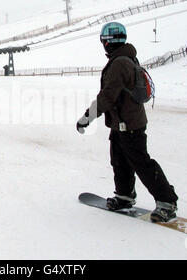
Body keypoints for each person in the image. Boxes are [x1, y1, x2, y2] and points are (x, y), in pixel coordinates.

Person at [76, 22, 179, 223]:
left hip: (130, 124)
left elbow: (107, 96)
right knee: (119, 160)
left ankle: (167, 202)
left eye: (104, 41)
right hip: (120, 123)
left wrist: (87, 117)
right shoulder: (124, 58)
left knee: (142, 163)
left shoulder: (119, 63)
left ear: (107, 42)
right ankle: (124, 195)